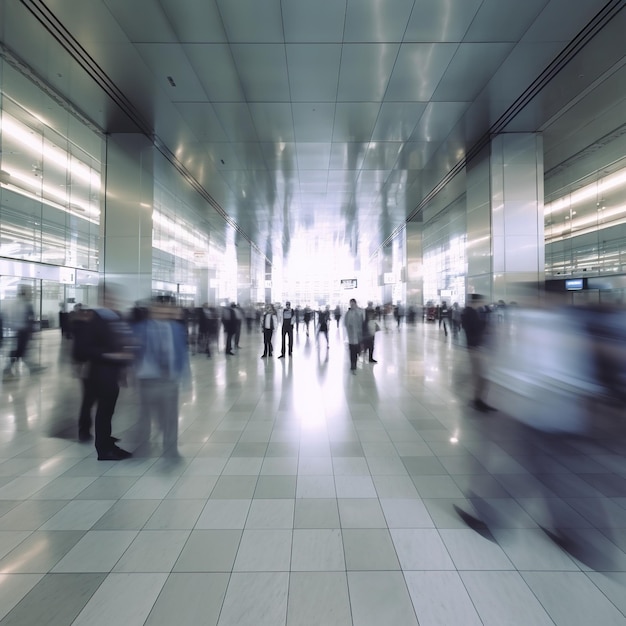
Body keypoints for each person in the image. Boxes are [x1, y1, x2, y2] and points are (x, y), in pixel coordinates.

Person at [81, 284, 134, 460]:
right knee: (103, 411)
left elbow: (122, 341)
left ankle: (107, 441)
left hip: (112, 374)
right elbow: (86, 349)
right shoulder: (94, 319)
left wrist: (124, 366)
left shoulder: (115, 317)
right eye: (109, 297)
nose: (113, 300)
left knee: (108, 411)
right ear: (102, 298)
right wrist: (111, 355)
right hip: (100, 374)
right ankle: (103, 449)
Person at [132, 302, 190, 457]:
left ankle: (171, 450)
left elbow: (182, 353)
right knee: (144, 417)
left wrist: (185, 378)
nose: (164, 312)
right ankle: (142, 449)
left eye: (167, 309)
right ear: (152, 310)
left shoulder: (176, 328)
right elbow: (133, 352)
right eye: (160, 309)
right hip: (147, 378)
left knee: (170, 417)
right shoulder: (140, 327)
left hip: (169, 378)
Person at [461, 294, 495, 412]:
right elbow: (476, 328)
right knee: (480, 376)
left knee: (480, 376)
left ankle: (479, 400)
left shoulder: (469, 312)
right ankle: (477, 401)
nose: (483, 303)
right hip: (474, 347)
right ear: (477, 301)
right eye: (481, 301)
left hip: (475, 346)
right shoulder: (469, 313)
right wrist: (485, 322)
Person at [3, 285, 37, 376]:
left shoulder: (15, 303)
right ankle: (15, 364)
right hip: (23, 330)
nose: (31, 294)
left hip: (17, 329)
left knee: (19, 348)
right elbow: (31, 319)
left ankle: (11, 364)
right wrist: (32, 330)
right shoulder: (26, 304)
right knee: (22, 349)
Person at [343, 298, 364, 374]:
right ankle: (353, 366)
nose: (352, 305)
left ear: (355, 303)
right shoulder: (348, 313)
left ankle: (358, 356)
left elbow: (364, 321)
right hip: (351, 337)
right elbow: (345, 323)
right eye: (350, 304)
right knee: (352, 352)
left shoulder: (360, 311)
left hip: (359, 336)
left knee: (358, 350)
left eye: (353, 304)